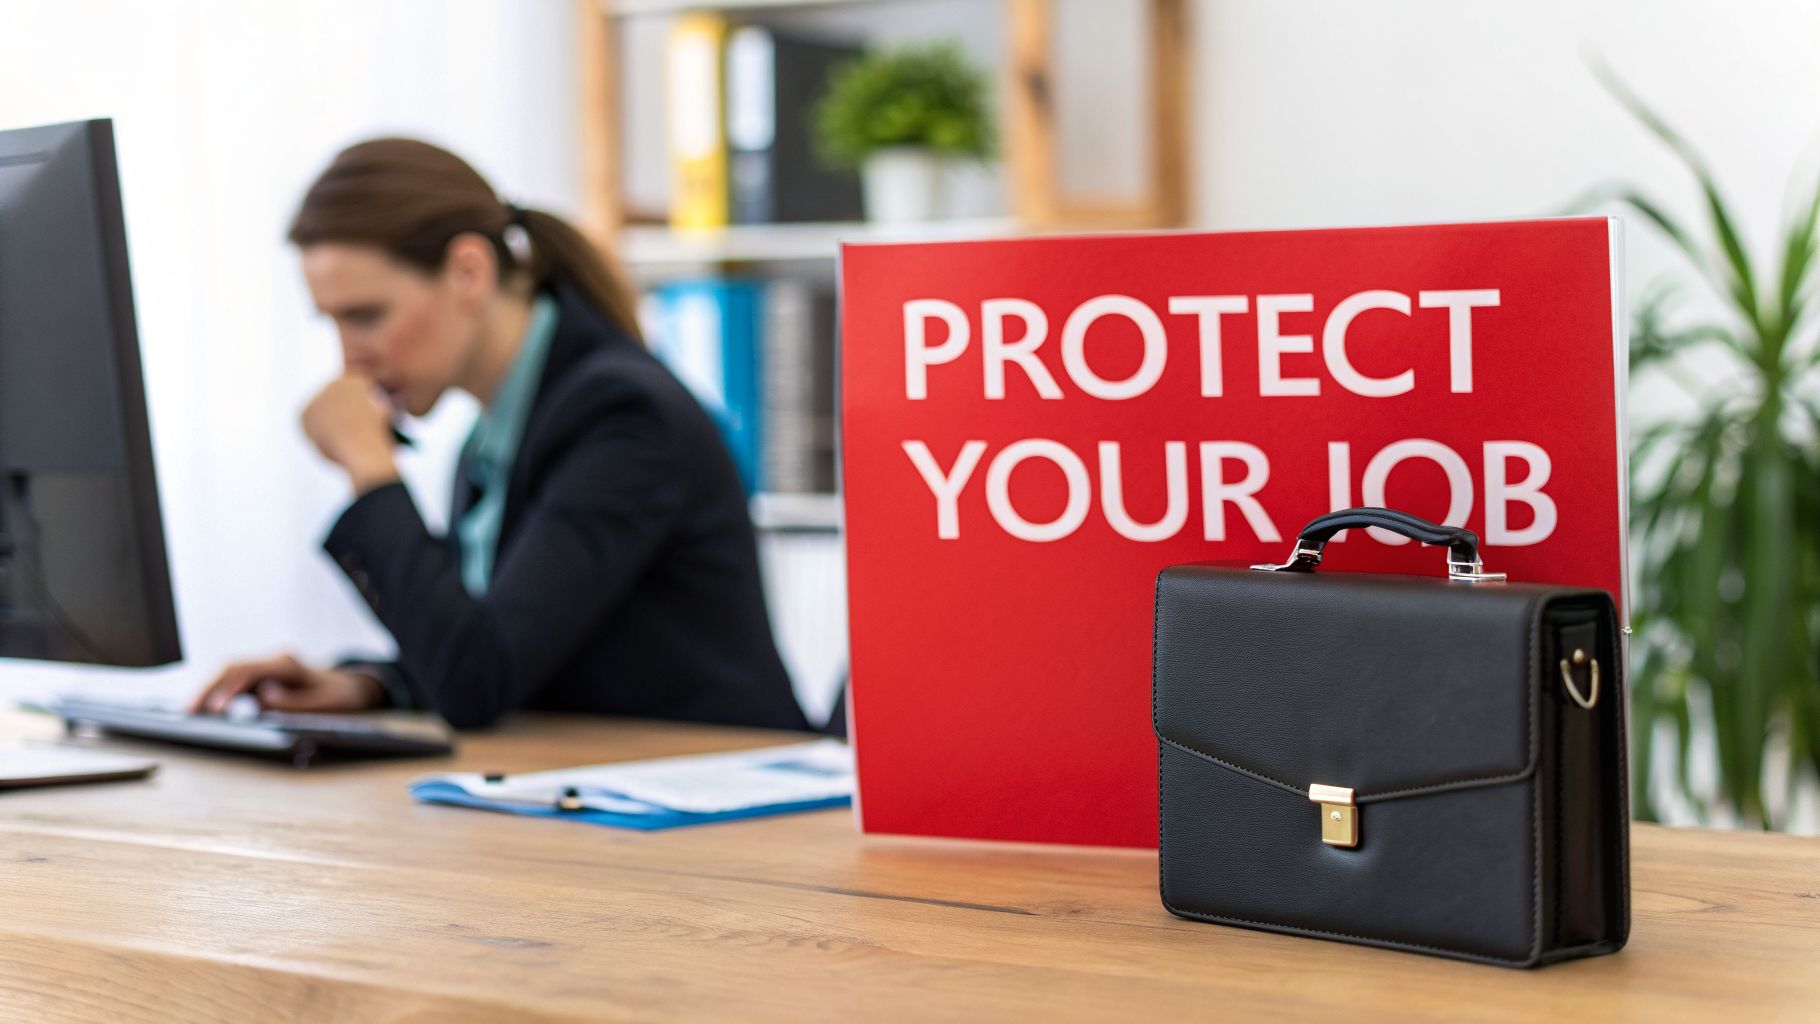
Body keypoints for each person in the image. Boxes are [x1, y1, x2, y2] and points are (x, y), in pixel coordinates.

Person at [190, 138, 809, 732]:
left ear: (468, 271)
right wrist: (370, 685)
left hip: (720, 810)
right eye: (333, 322)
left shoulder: (622, 416)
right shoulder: (497, 435)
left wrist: (368, 464)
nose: (350, 360)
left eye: (366, 316)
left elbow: (478, 680)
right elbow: (498, 641)